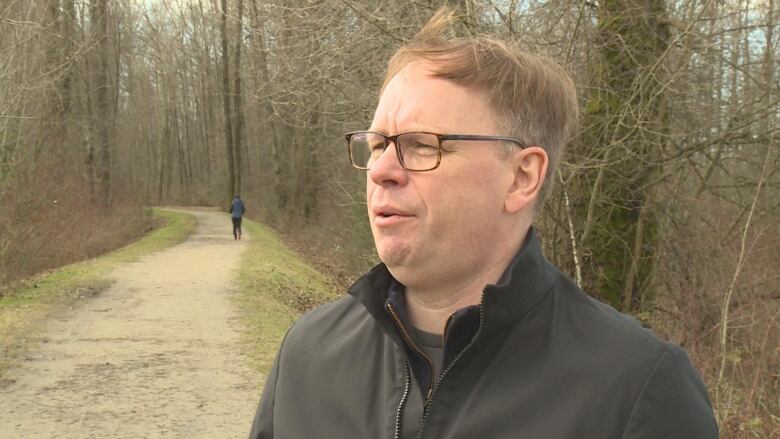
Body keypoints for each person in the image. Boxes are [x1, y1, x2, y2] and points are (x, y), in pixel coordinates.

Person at [249, 8, 718, 439]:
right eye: (376, 144)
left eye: (421, 145)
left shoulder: (638, 390)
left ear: (521, 177)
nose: (381, 170)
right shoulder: (306, 355)